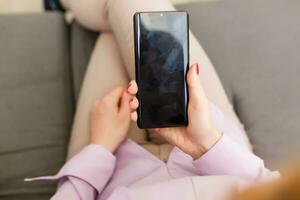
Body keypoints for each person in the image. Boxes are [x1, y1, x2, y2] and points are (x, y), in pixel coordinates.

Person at [25, 0, 280, 199]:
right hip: (217, 151)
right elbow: (275, 190)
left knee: (115, 26)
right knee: (125, 14)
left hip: (110, 171)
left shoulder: (103, 151)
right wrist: (208, 143)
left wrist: (99, 148)